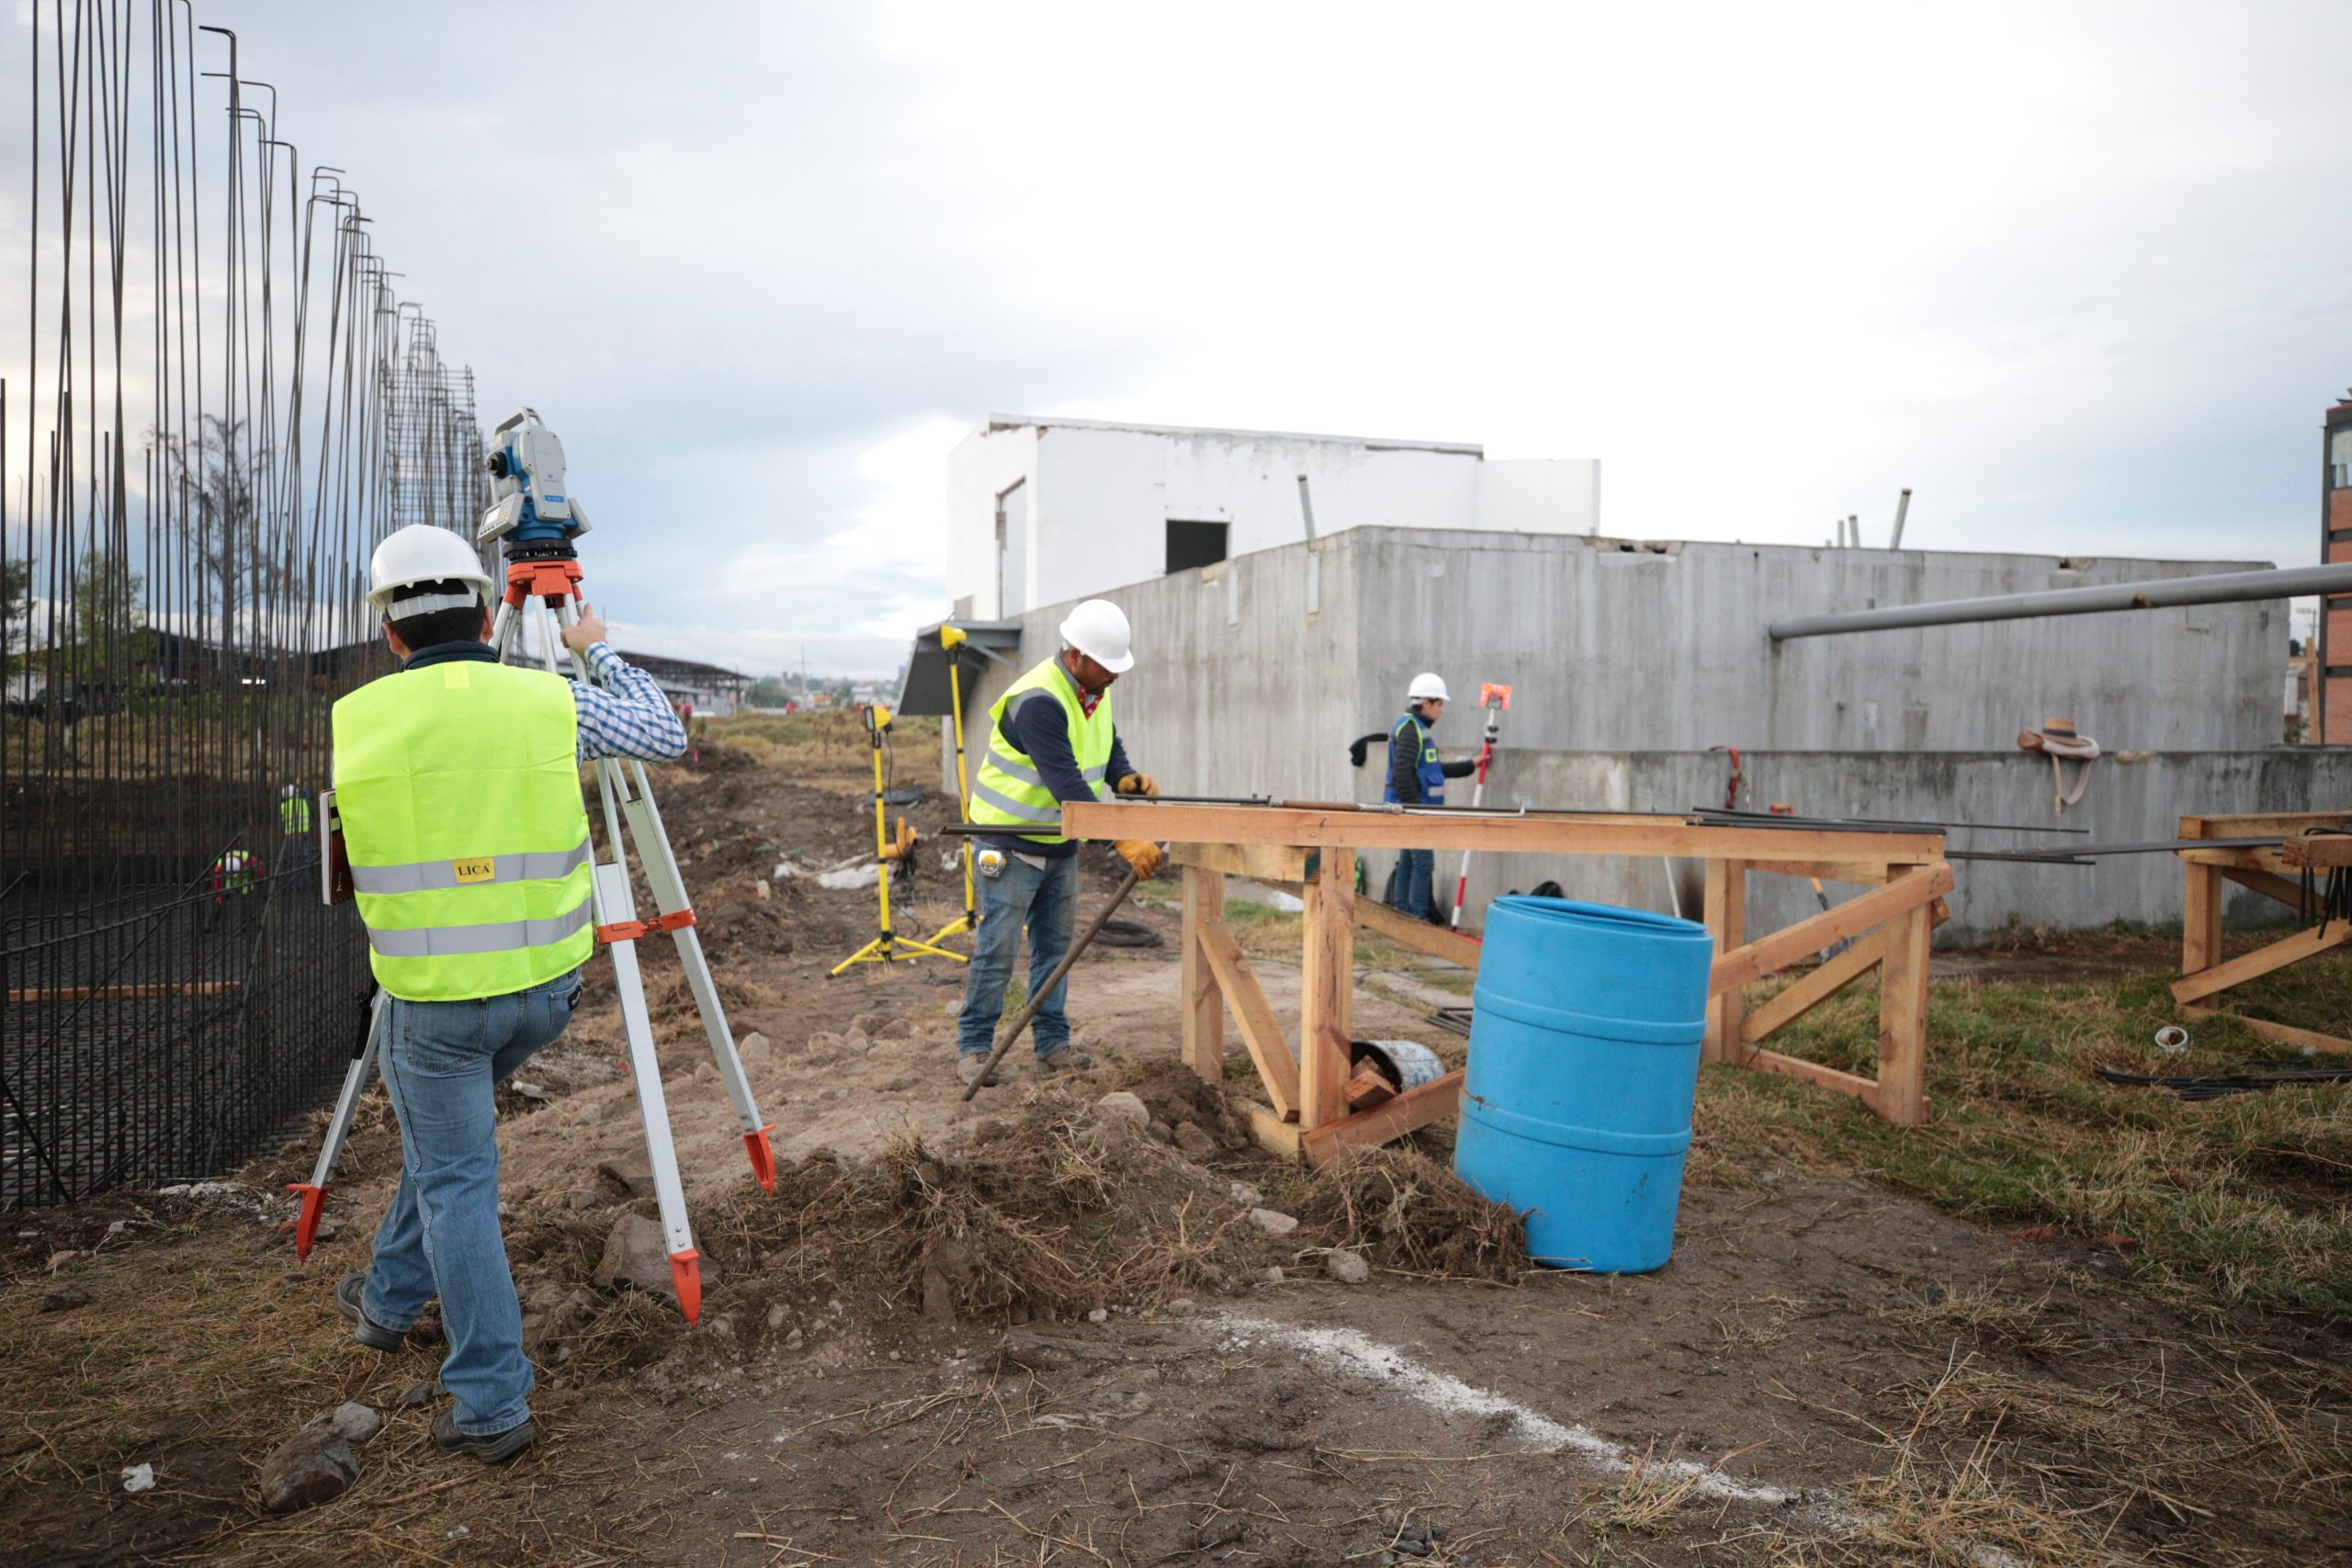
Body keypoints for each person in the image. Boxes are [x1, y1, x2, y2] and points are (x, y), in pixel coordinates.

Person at [328, 524, 685, 1465]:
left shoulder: (358, 717)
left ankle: (489, 1402)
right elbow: (663, 731)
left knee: (455, 1179)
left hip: (435, 1004)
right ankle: (388, 1302)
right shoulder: (547, 702)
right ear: (491, 613)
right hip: (544, 994)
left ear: (389, 633)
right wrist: (590, 644)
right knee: (443, 1157)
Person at [956, 598, 1162, 1088]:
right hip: (1008, 843)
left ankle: (1052, 1046)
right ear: (1075, 657)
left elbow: (1104, 741)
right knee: (998, 948)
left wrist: (1123, 775)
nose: (1115, 676)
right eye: (1107, 667)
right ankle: (974, 1046)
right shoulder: (1039, 702)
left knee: (1055, 949)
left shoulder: (1095, 687)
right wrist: (1122, 840)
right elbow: (1067, 785)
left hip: (1058, 842)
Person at [1385, 672, 1476, 921]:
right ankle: (1415, 919)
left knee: (1408, 863)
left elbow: (1433, 771)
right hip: (1415, 811)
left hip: (1411, 809)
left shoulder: (1415, 728)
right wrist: (1415, 812)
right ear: (1426, 703)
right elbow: (1402, 773)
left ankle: (1402, 916)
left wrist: (1471, 765)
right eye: (1440, 704)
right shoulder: (1412, 730)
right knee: (1422, 865)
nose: (1442, 710)